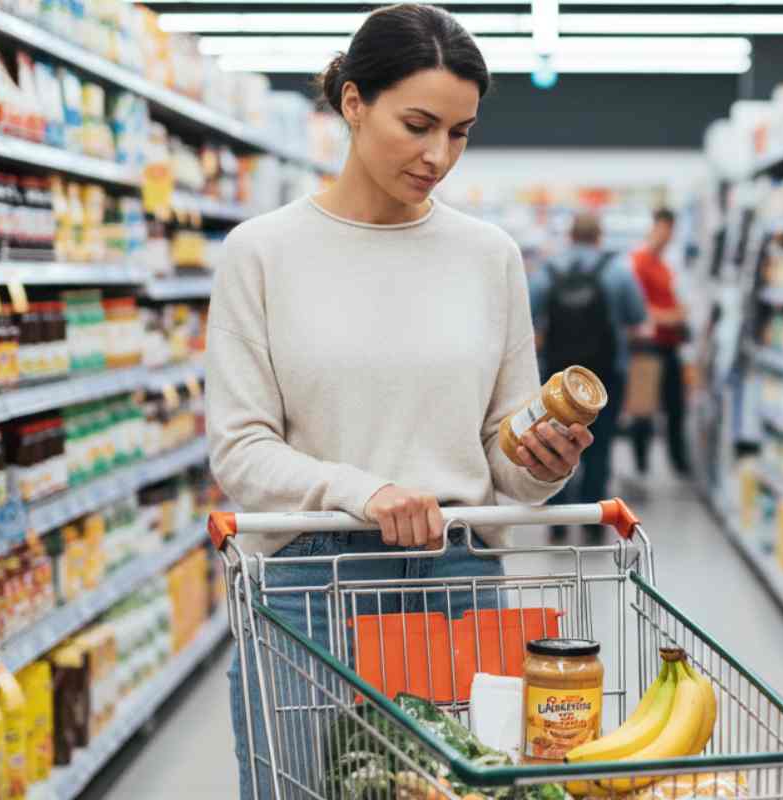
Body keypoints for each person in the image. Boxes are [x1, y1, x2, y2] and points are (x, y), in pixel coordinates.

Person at [203, 6, 592, 797]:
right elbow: (241, 450)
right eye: (417, 124)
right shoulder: (263, 252)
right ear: (353, 102)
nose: (438, 155)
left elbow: (500, 452)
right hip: (313, 581)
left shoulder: (490, 257)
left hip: (458, 574)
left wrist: (540, 465)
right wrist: (365, 492)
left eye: (460, 132)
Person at [529, 212, 647, 542]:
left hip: (558, 380)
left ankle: (557, 522)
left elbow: (526, 315)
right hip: (606, 375)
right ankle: (594, 523)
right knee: (600, 445)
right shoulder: (617, 271)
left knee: (553, 444)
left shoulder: (548, 272)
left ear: (570, 236)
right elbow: (637, 316)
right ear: (599, 236)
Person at [629, 207, 691, 477]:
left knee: (676, 406)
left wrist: (678, 315)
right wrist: (669, 316)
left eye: (672, 231)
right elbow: (638, 308)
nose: (668, 236)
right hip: (647, 346)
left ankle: (678, 461)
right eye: (665, 229)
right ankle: (640, 464)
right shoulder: (639, 261)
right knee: (643, 408)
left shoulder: (665, 267)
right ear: (655, 228)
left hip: (670, 345)